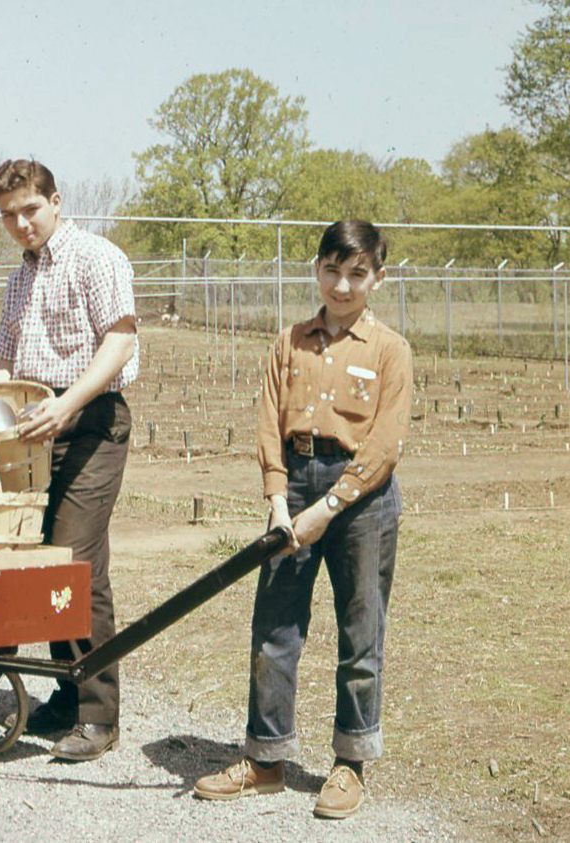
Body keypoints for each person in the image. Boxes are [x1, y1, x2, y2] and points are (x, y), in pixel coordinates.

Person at [193, 220, 412, 819]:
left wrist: (328, 509)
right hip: (294, 493)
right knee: (274, 629)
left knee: (361, 633)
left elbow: (384, 446)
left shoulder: (391, 350)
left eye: (357, 273)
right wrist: (276, 499)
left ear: (377, 278)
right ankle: (265, 757)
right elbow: (269, 420)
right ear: (316, 269)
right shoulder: (288, 343)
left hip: (362, 501)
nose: (342, 285)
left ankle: (349, 764)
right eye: (332, 270)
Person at [0, 158, 138, 761]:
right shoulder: (19, 278)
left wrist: (66, 405)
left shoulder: (96, 258)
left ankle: (99, 714)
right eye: (8, 215)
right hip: (37, 429)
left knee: (76, 560)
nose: (21, 224)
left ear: (56, 201)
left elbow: (119, 341)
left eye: (30, 210)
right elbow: (3, 360)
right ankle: (69, 697)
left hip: (92, 421)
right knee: (49, 562)